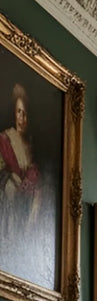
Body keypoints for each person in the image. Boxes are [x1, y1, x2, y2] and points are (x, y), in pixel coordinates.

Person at [0, 84, 43, 235]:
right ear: (14, 113)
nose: (22, 118)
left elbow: (36, 180)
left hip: (25, 203)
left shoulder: (31, 146)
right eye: (19, 112)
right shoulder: (5, 139)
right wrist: (10, 177)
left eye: (25, 114)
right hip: (8, 200)